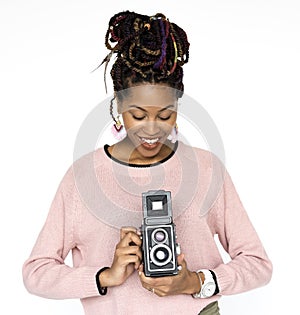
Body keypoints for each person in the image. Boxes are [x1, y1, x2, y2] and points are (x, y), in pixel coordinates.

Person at [22, 10, 272, 315]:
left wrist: (196, 282)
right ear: (118, 105)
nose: (152, 129)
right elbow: (36, 273)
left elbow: (258, 264)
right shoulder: (83, 178)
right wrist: (104, 277)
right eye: (138, 115)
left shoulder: (206, 169)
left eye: (165, 114)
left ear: (179, 105)